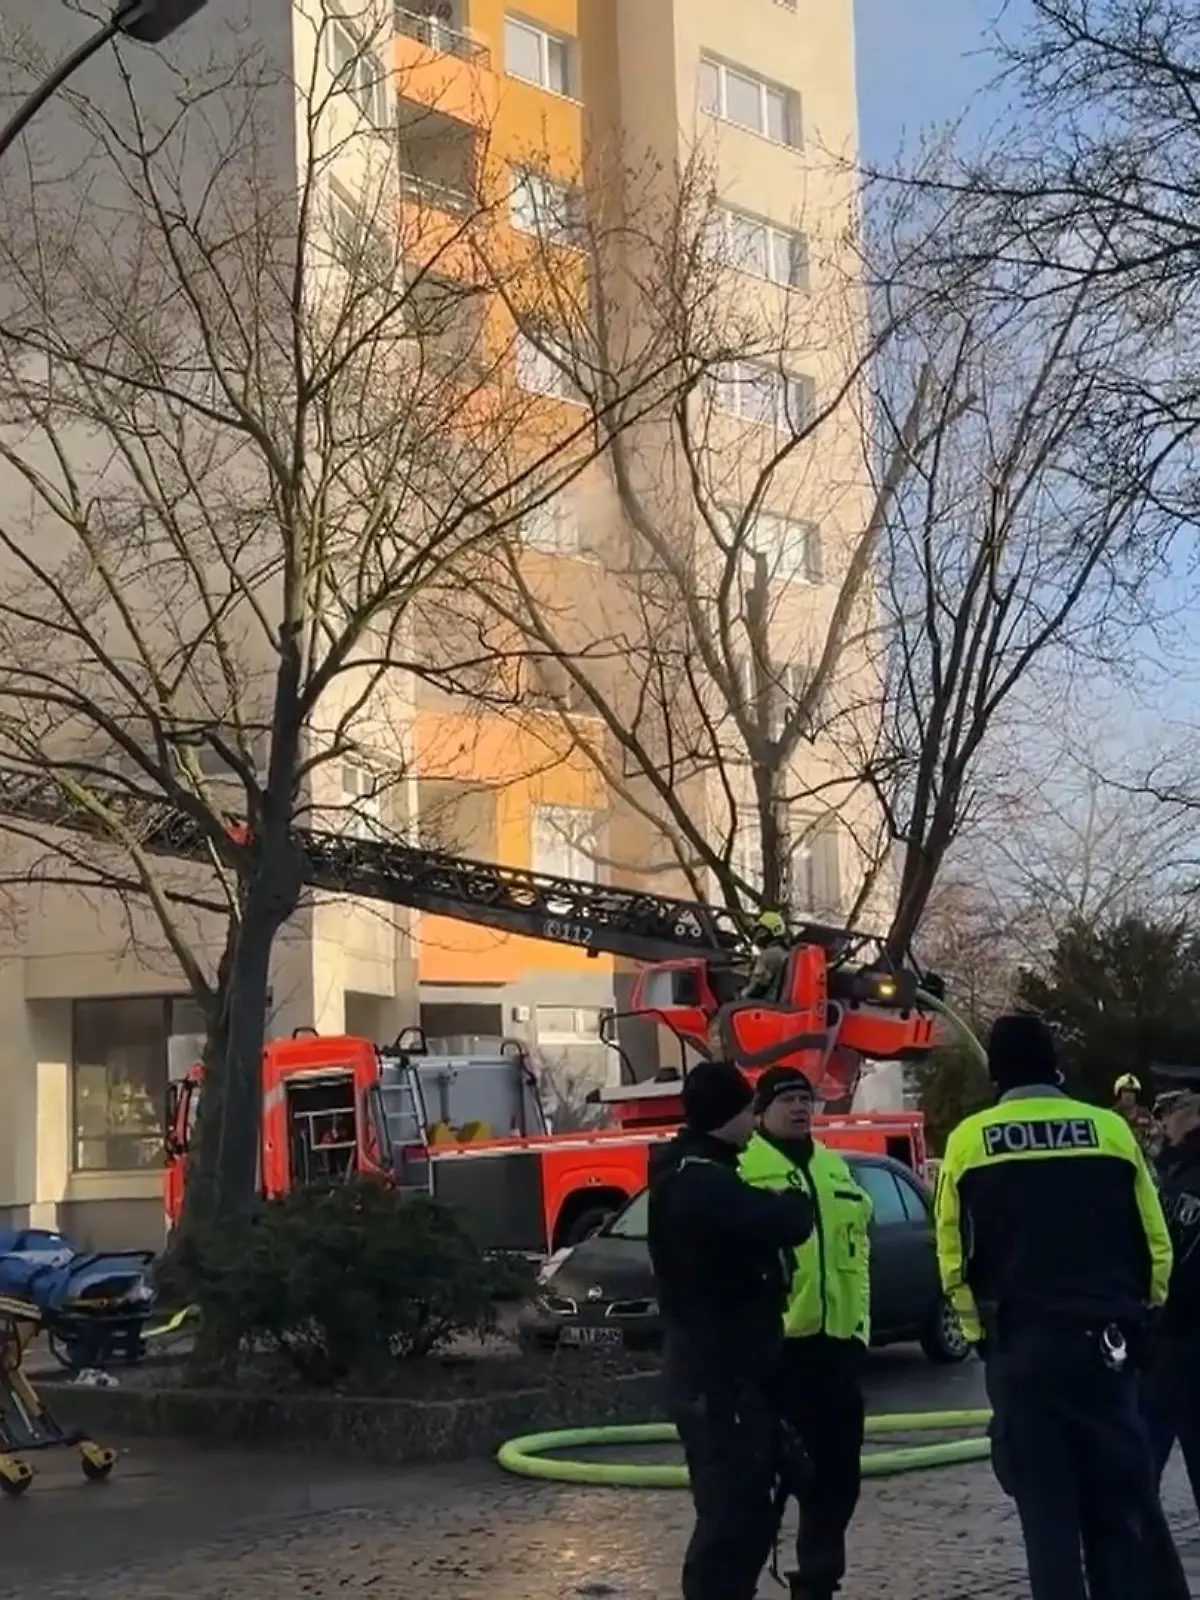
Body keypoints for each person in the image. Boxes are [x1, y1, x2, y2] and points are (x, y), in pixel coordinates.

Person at [934, 1012, 1174, 1600]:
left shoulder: (969, 1141)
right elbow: (1156, 1243)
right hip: (1104, 1350)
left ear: (997, 1072)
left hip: (1023, 1351)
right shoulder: (1110, 1133)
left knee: (1048, 1523)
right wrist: (1143, 1321)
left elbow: (951, 1259)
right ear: (1054, 1064)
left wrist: (984, 1338)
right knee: (1116, 1514)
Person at [647, 1059, 815, 1600]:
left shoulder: (693, 1171)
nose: (753, 1119)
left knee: (744, 1508)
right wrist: (792, 1193)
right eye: (748, 1109)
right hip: (718, 1379)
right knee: (730, 1517)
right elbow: (787, 1221)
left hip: (724, 1374)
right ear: (727, 1116)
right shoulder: (701, 1182)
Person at [739, 1065, 872, 1600]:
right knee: (759, 1490)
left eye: (805, 1099)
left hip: (836, 1355)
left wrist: (858, 1335)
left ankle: (816, 1584)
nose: (799, 1108)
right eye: (786, 1099)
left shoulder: (836, 1169)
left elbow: (860, 1260)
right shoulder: (745, 1169)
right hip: (775, 1357)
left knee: (835, 1485)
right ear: (760, 1110)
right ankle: (738, 1582)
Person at [1143, 1089, 1200, 1510]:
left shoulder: (1186, 1173)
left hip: (1181, 1336)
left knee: (1143, 1465)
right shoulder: (1171, 1170)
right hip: (1168, 1339)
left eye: (1168, 1115)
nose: (1161, 1125)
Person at [741, 910, 789, 1001]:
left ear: (766, 932)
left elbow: (757, 986)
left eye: (759, 931)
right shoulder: (785, 952)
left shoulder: (768, 955)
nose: (757, 935)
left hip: (767, 1003)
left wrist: (740, 996)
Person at [1114, 1072, 1164, 1161]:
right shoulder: (1113, 1115)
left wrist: (1143, 1141)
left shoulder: (1146, 1115)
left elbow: (1156, 1145)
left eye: (1132, 1092)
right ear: (1119, 1094)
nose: (1128, 1095)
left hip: (1142, 1160)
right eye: (1125, 1091)